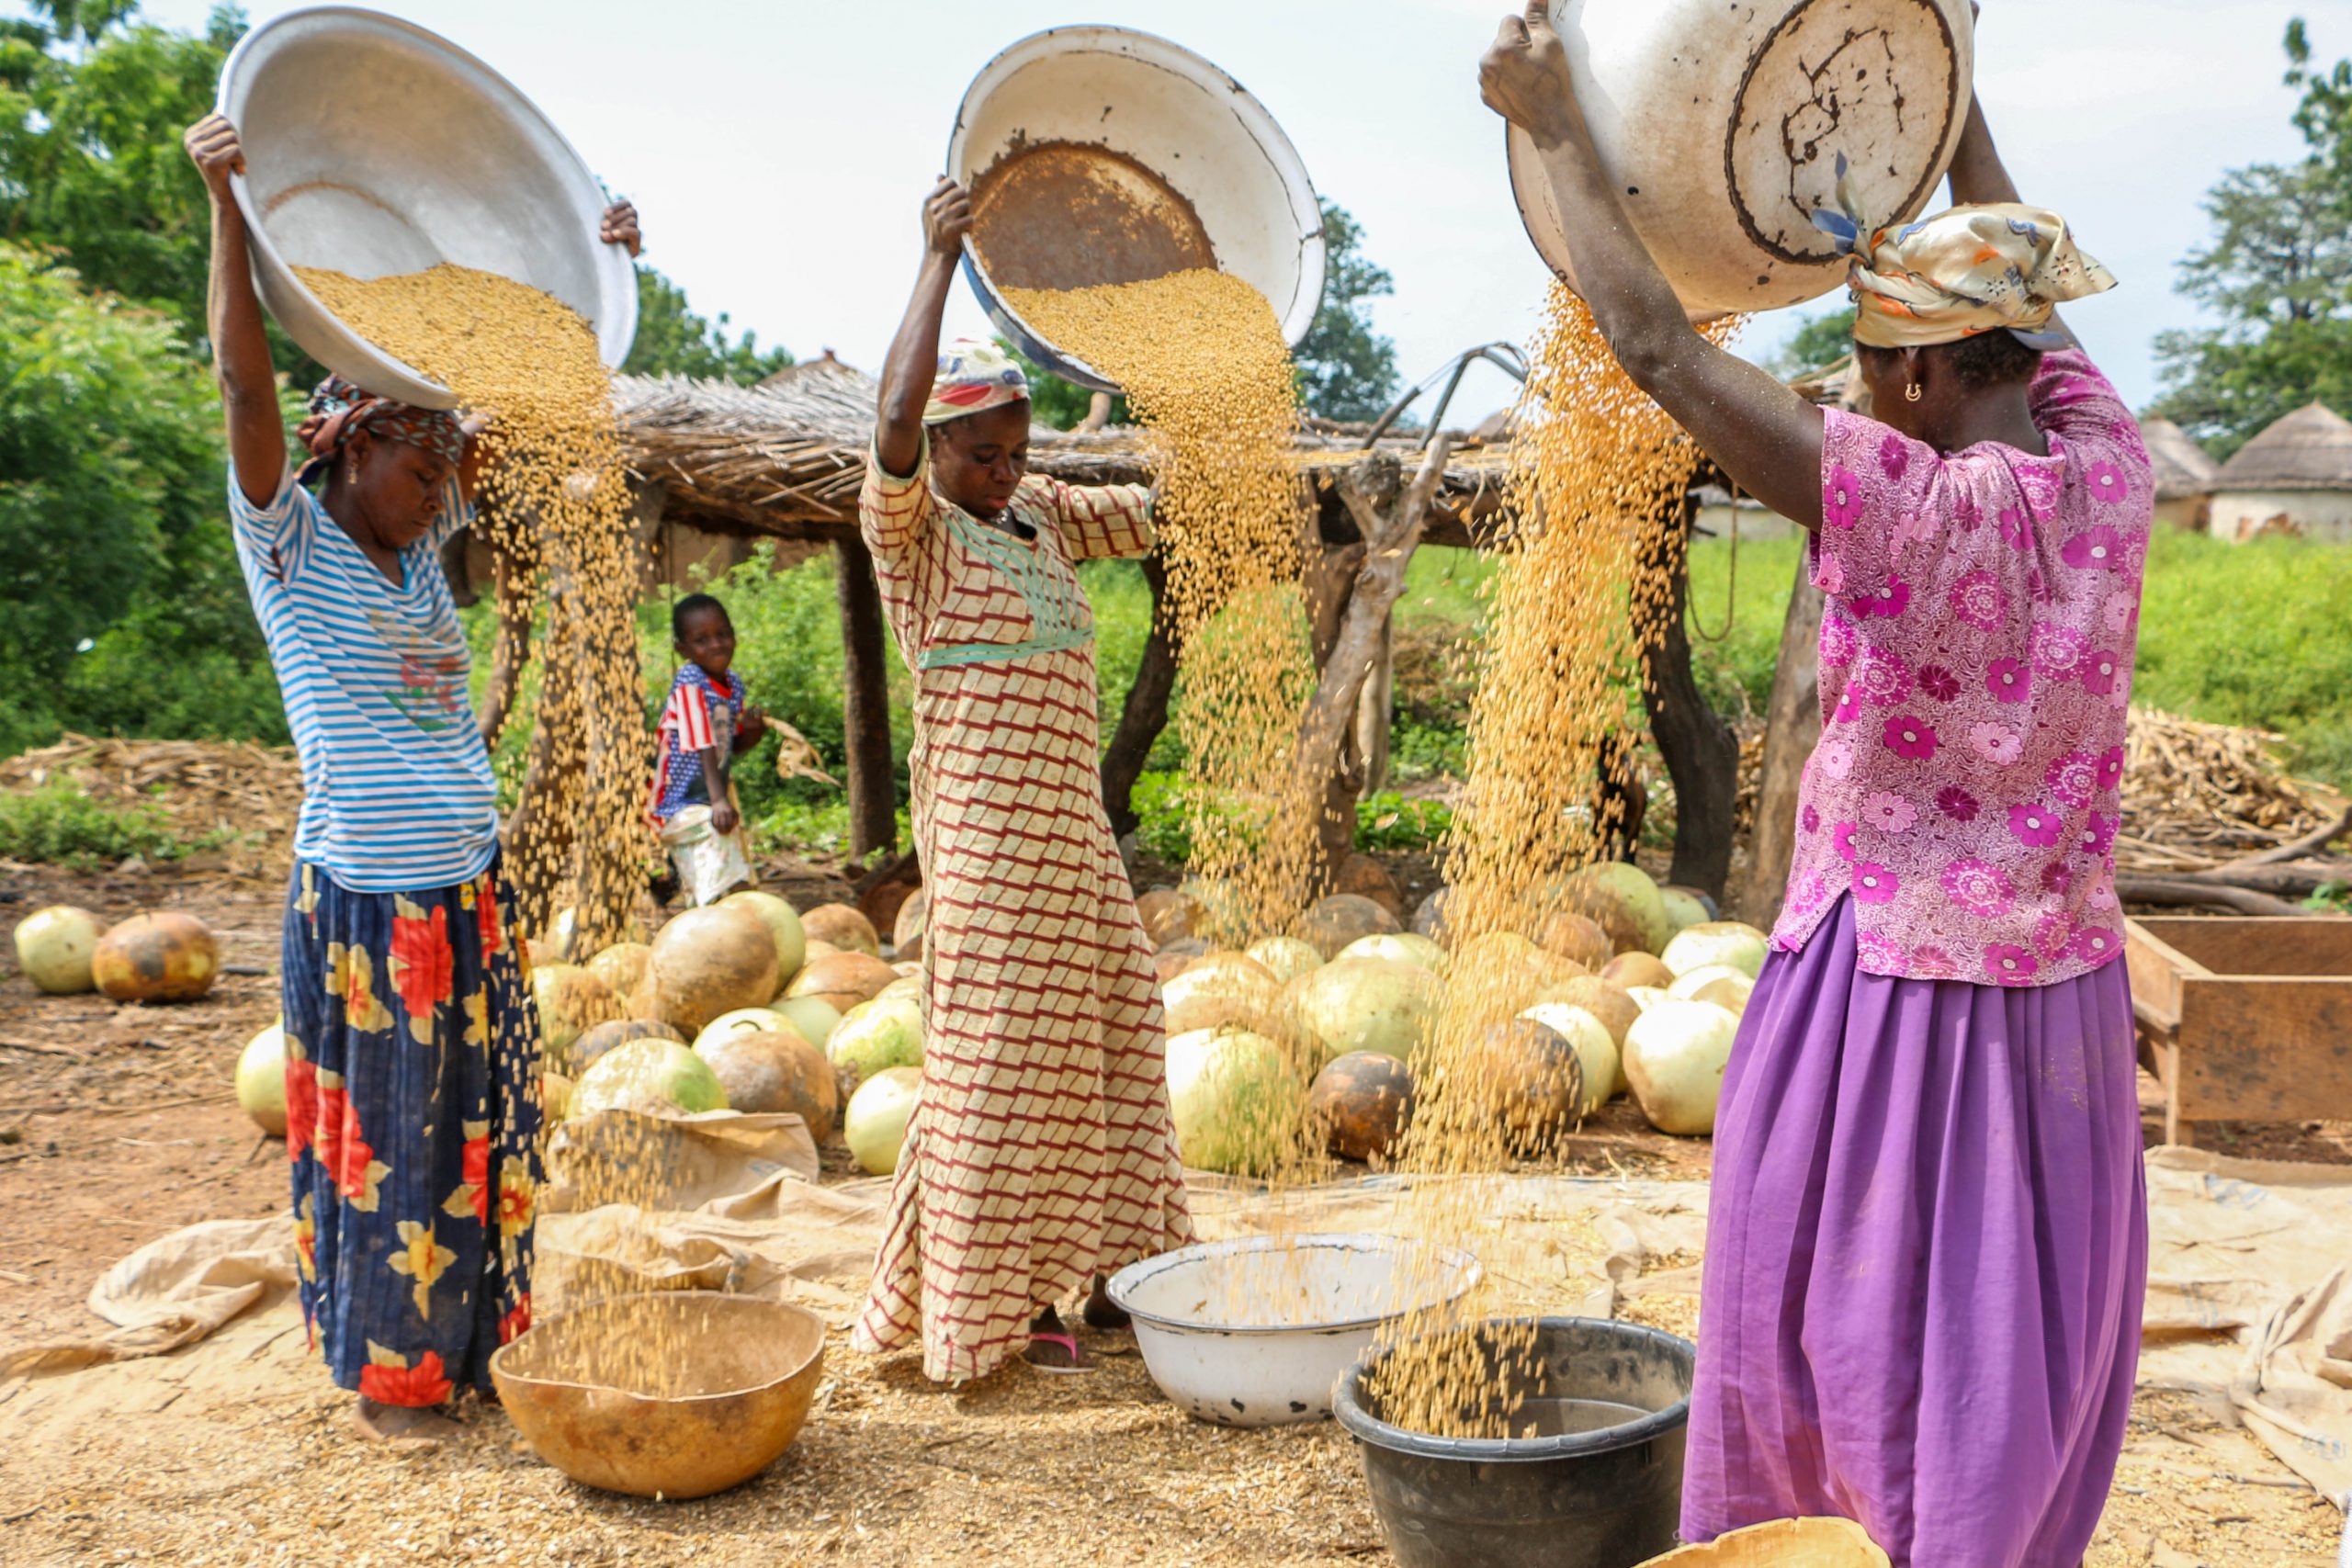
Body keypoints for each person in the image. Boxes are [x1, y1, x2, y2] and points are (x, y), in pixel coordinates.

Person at [1480, 10, 2149, 1565]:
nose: (1849, 393)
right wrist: (1952, 96)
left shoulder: (1903, 502)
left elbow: (1652, 345)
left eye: (1860, 368)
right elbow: (2018, 274)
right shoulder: (2111, 463)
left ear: (1913, 378)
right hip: (2058, 996)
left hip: (1892, 1000)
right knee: (2004, 1343)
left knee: (1857, 1338)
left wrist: (1561, 126)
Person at [182, 112, 643, 1442]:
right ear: (348, 449)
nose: (441, 476)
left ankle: (479, 1336)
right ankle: (395, 1372)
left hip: (468, 897)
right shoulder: (292, 544)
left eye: (447, 458)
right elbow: (243, 388)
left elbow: (554, 402)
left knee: (482, 1132)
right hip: (373, 912)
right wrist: (228, 203)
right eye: (417, 454)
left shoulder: (422, 546)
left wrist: (607, 282)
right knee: (391, 1144)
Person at [848, 177, 1193, 1381]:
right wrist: (936, 259)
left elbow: (1155, 517)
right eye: (980, 454)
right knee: (997, 1070)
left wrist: (1206, 406)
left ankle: (1116, 1272)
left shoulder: (1041, 513)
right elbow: (889, 416)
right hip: (992, 854)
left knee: (1116, 1034)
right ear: (937, 450)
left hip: (1076, 844)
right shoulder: (916, 542)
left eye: (1014, 450)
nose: (1001, 471)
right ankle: (984, 1310)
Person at [649, 592, 767, 906]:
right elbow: (703, 743)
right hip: (674, 802)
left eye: (722, 634)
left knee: (723, 842)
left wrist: (753, 734)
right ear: (682, 649)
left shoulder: (733, 685)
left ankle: (680, 890)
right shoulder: (690, 681)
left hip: (706, 799)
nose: (716, 645)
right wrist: (718, 801)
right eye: (702, 640)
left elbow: (729, 746)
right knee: (721, 851)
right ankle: (719, 912)